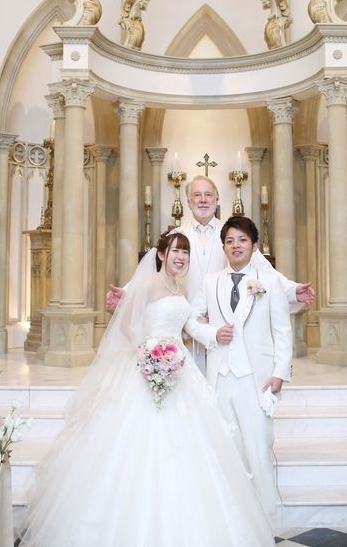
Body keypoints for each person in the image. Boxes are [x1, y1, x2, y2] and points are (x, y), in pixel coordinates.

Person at [19, 232, 275, 547]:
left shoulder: (180, 288)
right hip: (148, 365)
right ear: (161, 254)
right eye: (175, 251)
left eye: (185, 253)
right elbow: (127, 325)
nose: (180, 257)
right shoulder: (147, 285)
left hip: (180, 367)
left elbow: (184, 325)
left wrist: (201, 329)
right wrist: (149, 353)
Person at [107, 175, 314, 369]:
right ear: (189, 202)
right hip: (186, 327)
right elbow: (154, 273)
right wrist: (125, 294)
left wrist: (293, 290)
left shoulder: (232, 234)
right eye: (197, 195)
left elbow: (264, 269)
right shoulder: (176, 237)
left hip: (223, 327)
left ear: (217, 199)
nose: (203, 200)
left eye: (208, 195)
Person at [185, 216, 292, 522]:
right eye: (230, 241)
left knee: (258, 448)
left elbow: (282, 331)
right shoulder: (211, 281)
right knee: (226, 447)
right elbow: (191, 319)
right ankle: (233, 519)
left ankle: (265, 518)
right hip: (219, 376)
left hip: (256, 378)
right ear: (223, 247)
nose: (236, 246)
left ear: (254, 246)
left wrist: (280, 373)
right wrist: (212, 334)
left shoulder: (269, 281)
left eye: (242, 240)